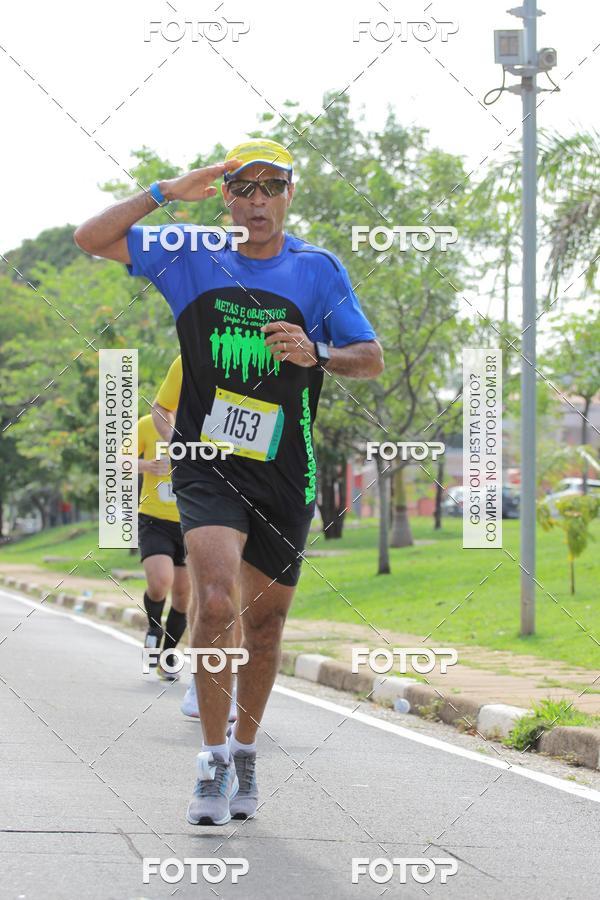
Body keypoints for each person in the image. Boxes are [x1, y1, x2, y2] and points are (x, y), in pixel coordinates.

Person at [74, 137, 384, 826]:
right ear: (227, 196)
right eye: (244, 188)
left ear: (289, 195)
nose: (258, 201)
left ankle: (245, 750)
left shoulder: (319, 271)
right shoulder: (191, 252)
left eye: (272, 187)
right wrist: (163, 192)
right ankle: (211, 763)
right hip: (206, 464)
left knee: (266, 626)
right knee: (215, 604)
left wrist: (319, 352)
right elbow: (91, 238)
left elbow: (371, 357)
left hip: (285, 470)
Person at [151, 355, 241, 722]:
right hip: (205, 484)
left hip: (263, 480)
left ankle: (226, 676)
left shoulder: (271, 348)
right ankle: (206, 679)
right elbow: (161, 409)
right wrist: (182, 448)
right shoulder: (192, 351)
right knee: (214, 585)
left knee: (247, 590)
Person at [136, 411, 190, 682]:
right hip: (154, 519)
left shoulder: (202, 426)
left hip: (194, 523)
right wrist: (146, 466)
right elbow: (117, 461)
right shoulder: (147, 425)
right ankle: (154, 627)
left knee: (183, 597)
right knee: (160, 583)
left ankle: (168, 657)